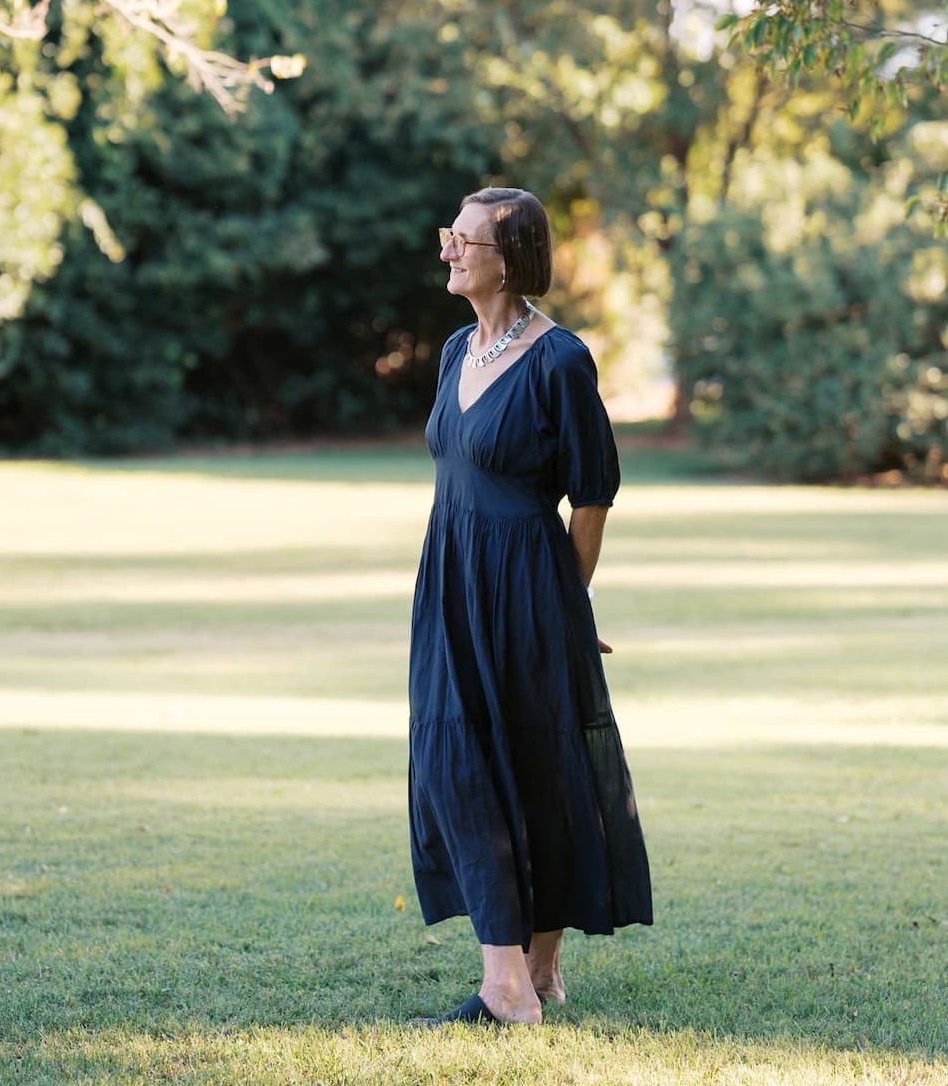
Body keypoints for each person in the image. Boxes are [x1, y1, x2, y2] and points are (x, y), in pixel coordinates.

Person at [407, 187, 653, 1027]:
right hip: (450, 581)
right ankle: (529, 971)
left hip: (528, 588)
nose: (447, 249)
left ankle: (514, 984)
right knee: (456, 762)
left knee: (539, 771)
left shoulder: (558, 362)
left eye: (462, 239)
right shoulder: (452, 351)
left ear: (508, 259)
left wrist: (564, 608)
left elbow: (591, 497)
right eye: (450, 234)